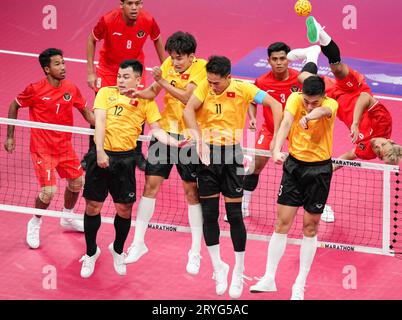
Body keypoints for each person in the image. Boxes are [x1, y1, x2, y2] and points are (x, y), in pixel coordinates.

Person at [183, 56, 282, 299]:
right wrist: (198, 140)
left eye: (216, 83)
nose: (212, 87)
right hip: (207, 156)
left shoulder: (244, 89)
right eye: (210, 82)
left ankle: (238, 270)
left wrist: (277, 139)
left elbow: (276, 105)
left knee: (235, 215)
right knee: (209, 215)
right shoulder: (205, 87)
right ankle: (219, 267)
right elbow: (187, 110)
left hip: (233, 156)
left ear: (228, 77)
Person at [287, 16, 402, 221]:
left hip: (337, 102)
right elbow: (365, 98)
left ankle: (311, 55)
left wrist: (325, 170)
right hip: (356, 89)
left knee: (305, 80)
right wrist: (356, 123)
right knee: (338, 68)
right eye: (381, 145)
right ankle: (321, 33)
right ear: (390, 140)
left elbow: (348, 156)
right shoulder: (384, 123)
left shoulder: (368, 152)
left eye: (377, 151)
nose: (375, 146)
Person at [78, 59, 184, 278]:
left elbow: (156, 130)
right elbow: (99, 122)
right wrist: (99, 152)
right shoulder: (105, 93)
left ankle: (117, 250)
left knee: (124, 209)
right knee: (92, 207)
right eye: (119, 76)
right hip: (102, 155)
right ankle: (90, 252)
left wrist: (175, 143)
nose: (120, 80)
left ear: (138, 79)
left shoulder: (146, 101)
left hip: (126, 161)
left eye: (126, 77)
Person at [123, 31, 206, 275]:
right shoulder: (169, 64)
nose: (175, 61)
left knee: (191, 192)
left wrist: (161, 81)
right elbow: (153, 92)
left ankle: (195, 251)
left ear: (192, 56)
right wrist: (137, 94)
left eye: (180, 58)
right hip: (165, 135)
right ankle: (138, 243)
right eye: (172, 57)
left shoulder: (202, 69)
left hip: (189, 138)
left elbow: (186, 97)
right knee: (150, 186)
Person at [249, 76, 338, 300]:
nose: (308, 105)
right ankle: (269, 277)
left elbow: (321, 112)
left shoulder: (330, 105)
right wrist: (276, 149)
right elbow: (286, 122)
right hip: (294, 168)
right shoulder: (295, 99)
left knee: (310, 228)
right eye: (306, 101)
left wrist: (309, 115)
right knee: (281, 223)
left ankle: (300, 283)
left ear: (323, 98)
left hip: (319, 171)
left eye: (314, 102)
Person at [4, 48, 95, 249]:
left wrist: (106, 126)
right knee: (48, 191)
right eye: (57, 64)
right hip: (42, 149)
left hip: (65, 147)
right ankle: (35, 222)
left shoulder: (71, 87)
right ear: (47, 69)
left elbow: (87, 113)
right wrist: (10, 136)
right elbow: (14, 105)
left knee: (77, 182)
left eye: (63, 63)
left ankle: (67, 216)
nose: (63, 67)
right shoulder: (35, 89)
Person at [85, 0, 166, 171]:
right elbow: (91, 40)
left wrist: (166, 67)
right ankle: (93, 152)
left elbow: (157, 40)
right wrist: (91, 71)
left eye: (138, 3)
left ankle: (136, 152)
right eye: (130, 3)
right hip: (108, 70)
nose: (135, 7)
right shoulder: (108, 20)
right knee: (101, 110)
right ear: (121, 4)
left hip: (134, 71)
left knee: (138, 107)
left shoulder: (148, 20)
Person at [240, 42, 302, 219]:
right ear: (269, 61)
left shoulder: (300, 79)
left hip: (296, 130)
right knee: (255, 165)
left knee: (308, 167)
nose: (279, 62)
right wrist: (252, 118)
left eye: (283, 58)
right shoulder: (262, 81)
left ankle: (323, 205)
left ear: (288, 60)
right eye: (274, 59)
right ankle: (244, 205)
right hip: (270, 129)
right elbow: (252, 100)